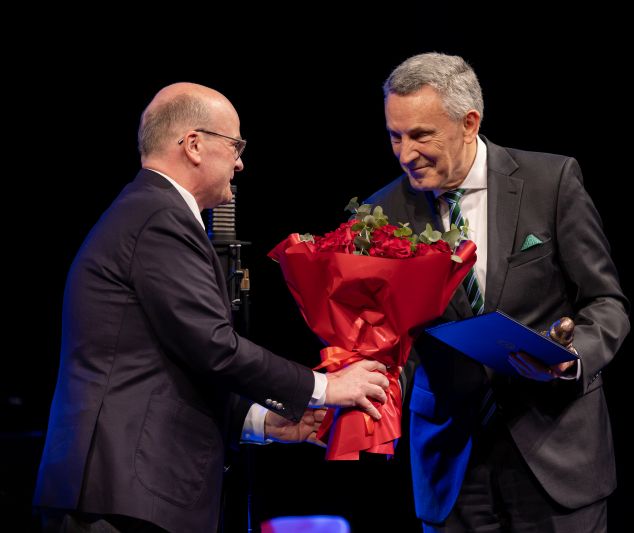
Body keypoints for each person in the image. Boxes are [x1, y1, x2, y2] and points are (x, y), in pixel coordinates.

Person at [33, 82, 390, 533]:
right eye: (235, 145)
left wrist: (262, 421)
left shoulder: (149, 211)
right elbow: (213, 347)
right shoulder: (159, 216)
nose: (241, 163)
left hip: (126, 490)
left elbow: (168, 363)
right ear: (194, 145)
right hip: (121, 494)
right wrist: (324, 387)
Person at [366, 53, 630, 532]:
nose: (405, 154)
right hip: (452, 463)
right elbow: (389, 340)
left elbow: (606, 302)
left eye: (421, 135)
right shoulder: (380, 214)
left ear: (469, 123)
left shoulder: (550, 182)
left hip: (556, 452)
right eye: (394, 136)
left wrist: (571, 358)